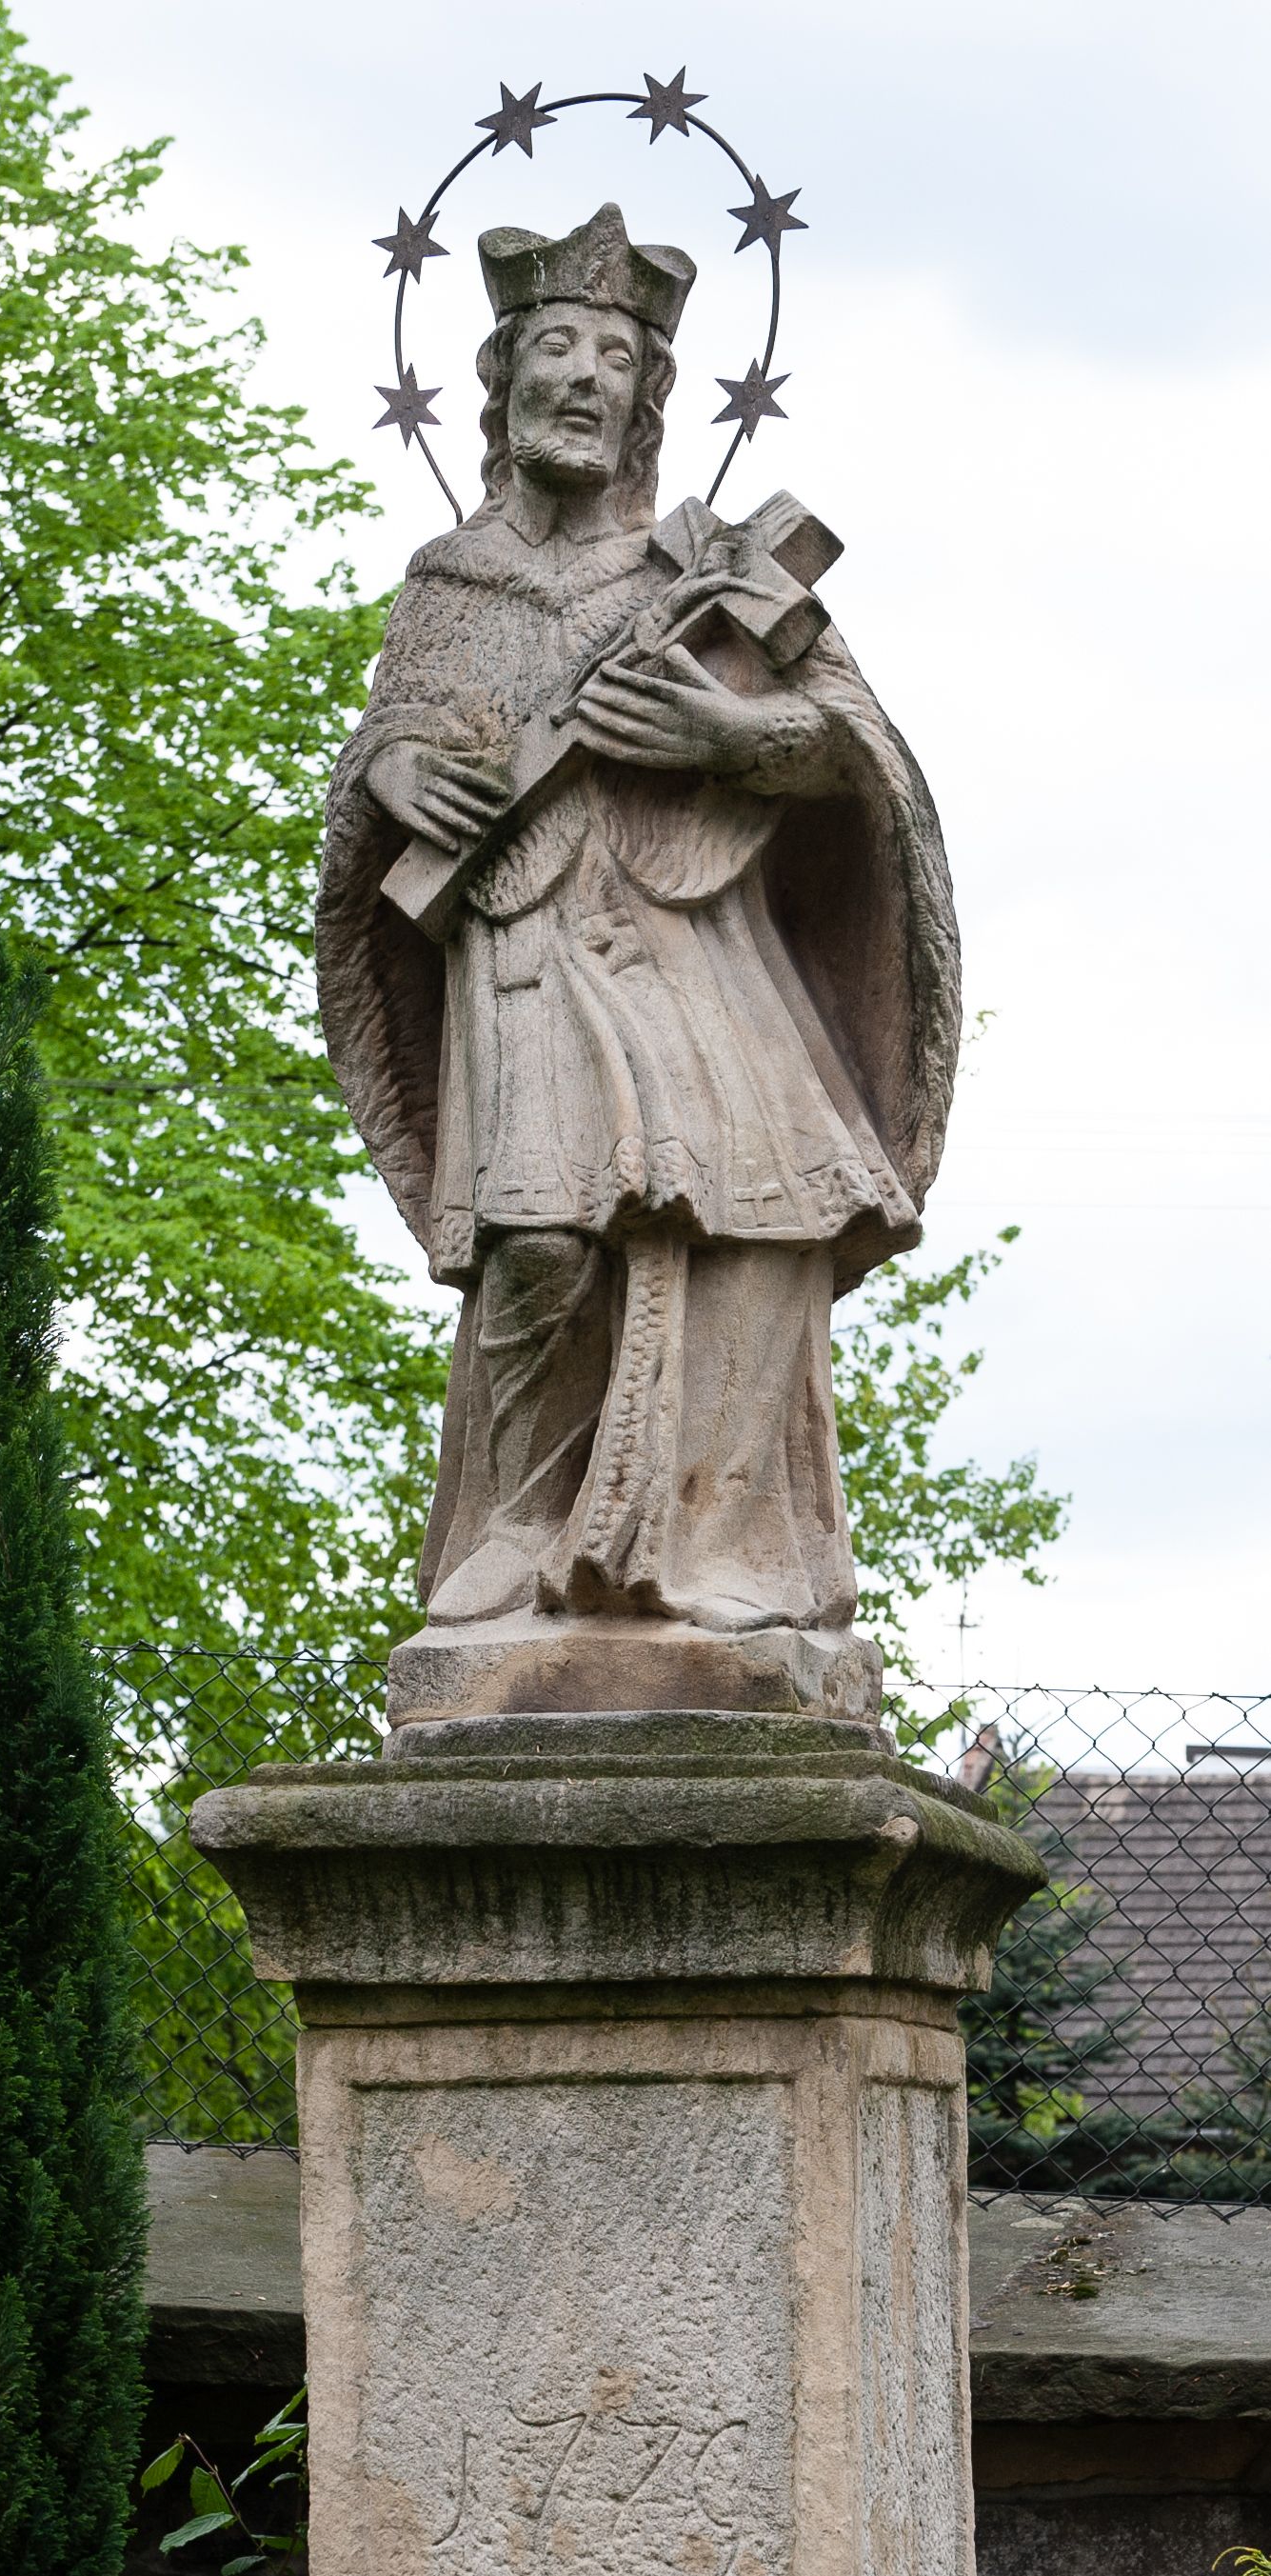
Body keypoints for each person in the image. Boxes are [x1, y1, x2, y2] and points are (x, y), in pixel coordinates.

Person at [318, 204, 960, 1637]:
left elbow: (857, 751)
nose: (581, 378)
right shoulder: (448, 584)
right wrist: (401, 777)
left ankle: (731, 1546)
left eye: (614, 358)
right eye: (554, 346)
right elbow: (383, 755)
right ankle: (521, 1524)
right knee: (537, 1240)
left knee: (746, 1231)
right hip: (527, 942)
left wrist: (729, 737)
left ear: (649, 401)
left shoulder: (707, 567)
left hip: (700, 946)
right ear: (501, 385)